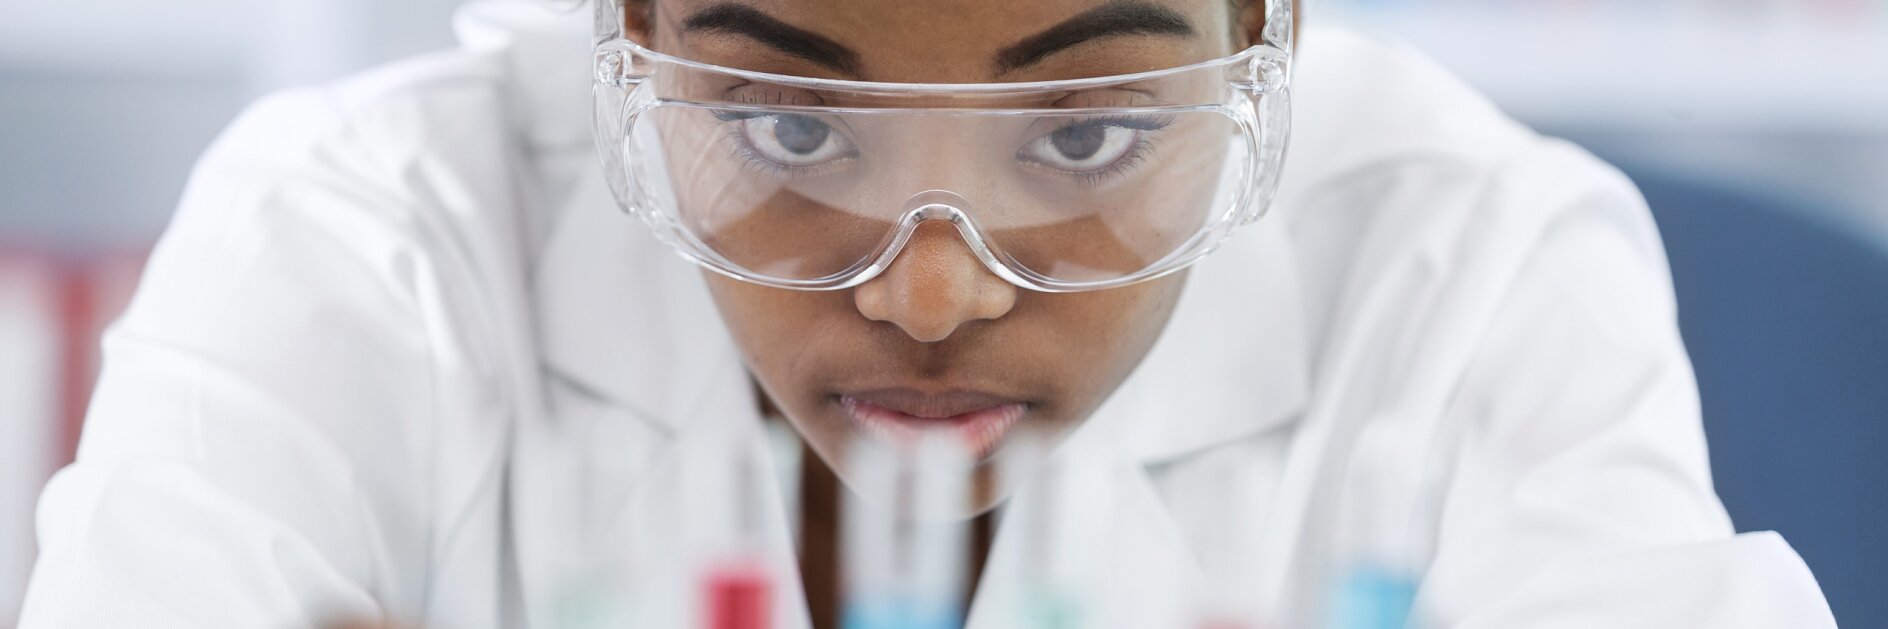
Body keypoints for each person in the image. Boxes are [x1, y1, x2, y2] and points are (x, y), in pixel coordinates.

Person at [18, 0, 1836, 627]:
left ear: (1259, 37)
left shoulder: (1475, 262)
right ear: (628, 41)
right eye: (793, 123)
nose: (937, 288)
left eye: (1091, 127)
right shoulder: (363, 244)